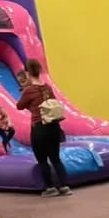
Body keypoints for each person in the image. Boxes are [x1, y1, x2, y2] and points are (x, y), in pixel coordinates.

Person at [16, 58, 70, 197]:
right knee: (55, 158)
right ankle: (64, 186)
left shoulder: (28, 90)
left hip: (39, 127)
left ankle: (50, 188)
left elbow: (19, 106)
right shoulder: (47, 87)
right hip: (53, 126)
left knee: (42, 159)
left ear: (27, 73)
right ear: (39, 71)